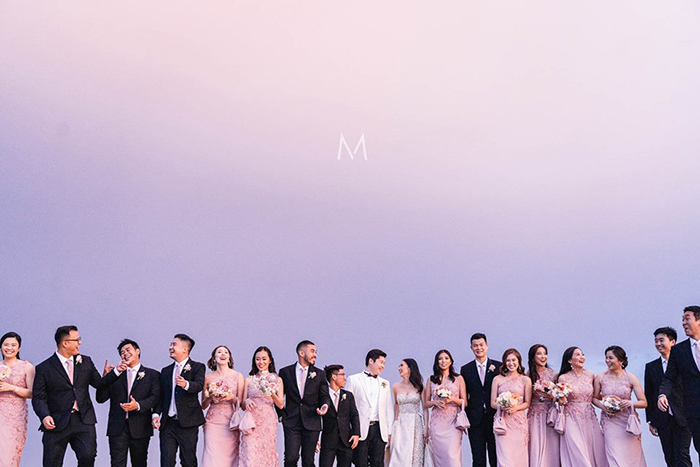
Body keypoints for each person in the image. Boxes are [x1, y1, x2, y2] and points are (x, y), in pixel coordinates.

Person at [32, 325, 105, 467]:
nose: (80, 343)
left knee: (88, 456)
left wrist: (113, 374)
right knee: (52, 463)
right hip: (57, 421)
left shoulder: (86, 361)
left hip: (83, 419)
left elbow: (99, 384)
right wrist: (45, 416)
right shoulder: (44, 368)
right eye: (77, 340)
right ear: (65, 343)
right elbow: (38, 397)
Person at [96, 339, 161, 467]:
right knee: (117, 464)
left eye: (127, 350)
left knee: (139, 463)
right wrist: (106, 377)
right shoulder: (115, 374)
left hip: (140, 426)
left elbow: (155, 398)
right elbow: (100, 398)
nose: (125, 353)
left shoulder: (152, 375)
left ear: (137, 351)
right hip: (117, 427)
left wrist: (138, 405)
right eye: (122, 352)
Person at [152, 333, 206, 467]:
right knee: (166, 461)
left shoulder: (197, 367)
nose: (170, 347)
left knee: (188, 461)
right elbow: (162, 396)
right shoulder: (165, 371)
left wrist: (186, 384)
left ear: (185, 349)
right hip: (168, 424)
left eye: (174, 344)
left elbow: (199, 385)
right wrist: (156, 415)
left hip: (188, 423)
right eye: (170, 344)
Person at [645, 326, 691, 466]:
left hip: (683, 416)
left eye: (661, 340)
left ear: (672, 342)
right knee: (669, 457)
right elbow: (650, 394)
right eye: (656, 341)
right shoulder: (651, 367)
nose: (658, 344)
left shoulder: (684, 363)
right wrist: (651, 420)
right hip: (662, 418)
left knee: (682, 455)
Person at [593, 345, 647, 466]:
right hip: (610, 421)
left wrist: (630, 403)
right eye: (606, 358)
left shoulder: (631, 378)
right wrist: (604, 407)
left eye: (610, 358)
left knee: (631, 458)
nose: (607, 361)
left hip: (627, 422)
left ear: (620, 360)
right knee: (614, 456)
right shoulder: (600, 377)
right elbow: (594, 398)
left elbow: (643, 402)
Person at [278, 340, 329, 467]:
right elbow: (278, 395)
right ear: (301, 353)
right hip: (291, 421)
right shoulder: (285, 372)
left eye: (316, 352)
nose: (315, 354)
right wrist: (281, 415)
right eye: (312, 351)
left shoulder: (320, 374)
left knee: (308, 461)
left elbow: (324, 396)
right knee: (290, 458)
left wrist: (324, 406)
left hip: (312, 421)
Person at [659, 305, 700, 461]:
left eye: (687, 318)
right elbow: (669, 378)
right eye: (682, 319)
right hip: (694, 410)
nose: (683, 323)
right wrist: (663, 394)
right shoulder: (678, 351)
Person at [557, 347, 606, 467]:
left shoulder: (590, 375)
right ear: (570, 360)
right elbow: (560, 400)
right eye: (578, 354)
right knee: (577, 451)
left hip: (589, 417)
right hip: (571, 418)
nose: (582, 357)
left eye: (582, 354)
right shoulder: (563, 378)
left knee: (594, 450)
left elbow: (595, 397)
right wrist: (561, 399)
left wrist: (607, 404)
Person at [345, 349, 394, 467]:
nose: (383, 366)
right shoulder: (353, 379)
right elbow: (347, 407)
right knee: (360, 462)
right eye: (381, 362)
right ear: (371, 361)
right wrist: (351, 429)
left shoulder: (385, 383)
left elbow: (388, 408)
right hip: (360, 430)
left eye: (384, 363)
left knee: (378, 463)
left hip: (379, 430)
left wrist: (389, 433)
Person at [239, 346, 284, 467]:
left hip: (267, 420)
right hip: (251, 420)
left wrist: (271, 392)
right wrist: (247, 401)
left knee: (266, 453)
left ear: (270, 360)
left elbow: (280, 404)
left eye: (264, 359)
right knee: (250, 453)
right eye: (257, 359)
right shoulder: (249, 379)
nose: (261, 362)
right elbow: (242, 405)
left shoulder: (277, 380)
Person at [460, 333, 500, 467]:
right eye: (475, 346)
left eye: (481, 345)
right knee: (478, 458)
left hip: (494, 417)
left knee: (495, 456)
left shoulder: (498, 366)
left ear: (487, 346)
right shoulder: (466, 369)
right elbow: (464, 394)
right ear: (471, 348)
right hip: (475, 419)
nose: (479, 348)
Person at [202, 345, 245, 467]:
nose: (223, 354)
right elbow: (203, 405)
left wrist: (231, 397)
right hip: (212, 421)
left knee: (230, 457)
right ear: (214, 358)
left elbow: (241, 403)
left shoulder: (238, 376)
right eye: (219, 352)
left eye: (226, 352)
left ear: (229, 358)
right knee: (211, 455)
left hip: (230, 422)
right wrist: (211, 397)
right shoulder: (208, 378)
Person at [424, 349, 466, 467]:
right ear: (437, 362)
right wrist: (435, 402)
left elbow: (464, 401)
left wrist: (451, 399)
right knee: (439, 457)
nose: (443, 361)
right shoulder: (431, 379)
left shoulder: (458, 379)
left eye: (446, 358)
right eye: (440, 359)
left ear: (451, 361)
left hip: (453, 423)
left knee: (452, 458)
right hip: (437, 424)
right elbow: (426, 403)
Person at [490, 349, 531, 467]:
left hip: (519, 423)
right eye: (508, 361)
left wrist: (515, 408)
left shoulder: (525, 379)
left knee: (519, 457)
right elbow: (493, 403)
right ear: (504, 362)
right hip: (503, 423)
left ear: (519, 361)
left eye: (514, 360)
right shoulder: (497, 379)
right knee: (505, 459)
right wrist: (503, 406)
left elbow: (527, 403)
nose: (511, 363)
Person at [0, 332, 34, 467]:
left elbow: (32, 393)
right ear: (1, 347)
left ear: (19, 348)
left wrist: (11, 388)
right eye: (6, 345)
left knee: (9, 453)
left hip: (15, 416)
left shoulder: (27, 367)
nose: (9, 348)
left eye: (13, 345)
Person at [388, 359, 427, 467]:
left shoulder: (420, 386)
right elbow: (396, 405)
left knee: (415, 453)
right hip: (400, 423)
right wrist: (394, 424)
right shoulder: (395, 386)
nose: (399, 368)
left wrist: (426, 427)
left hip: (415, 423)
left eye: (402, 365)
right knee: (398, 453)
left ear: (409, 368)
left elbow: (425, 408)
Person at [319, 364, 360, 467]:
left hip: (345, 440)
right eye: (342, 375)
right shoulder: (322, 396)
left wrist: (356, 433)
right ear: (333, 377)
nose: (345, 378)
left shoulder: (348, 396)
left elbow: (354, 415)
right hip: (328, 440)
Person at [525, 344, 558, 467]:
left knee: (551, 446)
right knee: (535, 444)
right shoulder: (528, 375)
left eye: (545, 353)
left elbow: (560, 396)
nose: (543, 356)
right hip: (534, 414)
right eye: (539, 354)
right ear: (533, 357)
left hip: (550, 414)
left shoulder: (554, 374)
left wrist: (552, 394)